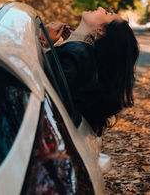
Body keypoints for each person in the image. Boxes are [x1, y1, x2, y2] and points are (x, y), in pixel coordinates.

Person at [40, 7, 139, 136]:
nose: (100, 8)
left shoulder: (76, 53)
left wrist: (42, 42)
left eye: (107, 13)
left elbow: (43, 88)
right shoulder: (80, 51)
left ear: (102, 31)